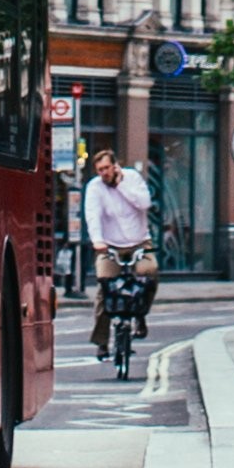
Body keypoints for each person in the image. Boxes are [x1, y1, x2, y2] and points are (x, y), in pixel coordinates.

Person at [81, 153, 157, 372]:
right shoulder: (95, 187)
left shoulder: (132, 179)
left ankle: (140, 317)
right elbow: (92, 215)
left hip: (139, 241)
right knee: (105, 285)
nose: (104, 173)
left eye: (107, 168)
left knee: (149, 273)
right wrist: (97, 242)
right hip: (109, 245)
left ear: (115, 166)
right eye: (100, 170)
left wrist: (120, 185)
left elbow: (144, 204)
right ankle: (102, 342)